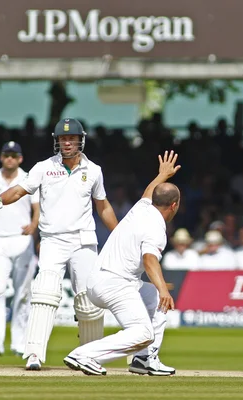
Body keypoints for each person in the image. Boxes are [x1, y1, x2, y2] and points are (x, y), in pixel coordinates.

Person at [0, 118, 119, 371]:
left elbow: (103, 206)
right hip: (53, 239)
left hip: (84, 240)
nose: (67, 143)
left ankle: (89, 356)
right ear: (57, 141)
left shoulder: (94, 170)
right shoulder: (43, 167)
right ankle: (33, 354)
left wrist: (119, 234)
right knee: (44, 293)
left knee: (88, 300)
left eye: (71, 138)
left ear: (80, 140)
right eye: (62, 139)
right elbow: (19, 190)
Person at [63, 150, 180, 376]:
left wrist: (162, 176)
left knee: (154, 300)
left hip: (101, 279)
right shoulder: (156, 227)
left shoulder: (142, 208)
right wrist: (164, 287)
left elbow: (149, 193)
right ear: (174, 205)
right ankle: (84, 355)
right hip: (116, 284)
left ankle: (144, 359)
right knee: (143, 332)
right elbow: (149, 260)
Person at [0, 142, 40, 356]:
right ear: (1, 157)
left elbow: (37, 209)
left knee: (24, 293)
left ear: (20, 159)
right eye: (7, 155)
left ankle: (19, 343)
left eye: (14, 155)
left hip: (22, 239)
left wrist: (34, 225)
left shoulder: (28, 178)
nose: (10, 159)